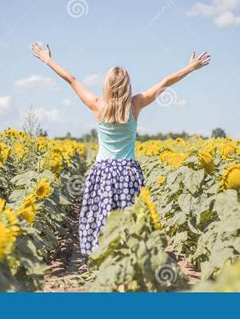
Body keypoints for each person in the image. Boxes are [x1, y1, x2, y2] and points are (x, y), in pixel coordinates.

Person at [31, 42, 211, 256]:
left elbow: (72, 80)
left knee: (101, 218)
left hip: (102, 172)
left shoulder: (97, 105)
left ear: (106, 85)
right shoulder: (136, 104)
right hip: (128, 172)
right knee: (130, 221)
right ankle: (128, 261)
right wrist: (189, 68)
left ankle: (102, 258)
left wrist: (48, 60)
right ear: (128, 85)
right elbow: (164, 83)